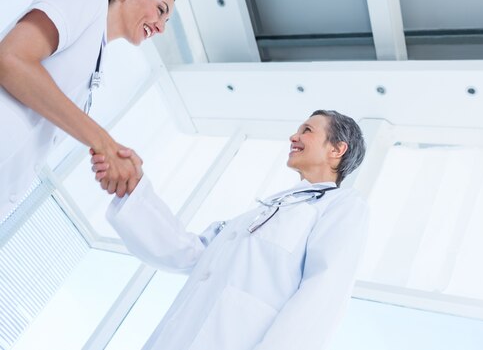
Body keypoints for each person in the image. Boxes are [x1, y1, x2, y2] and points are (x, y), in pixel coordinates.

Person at [91, 110, 369, 350]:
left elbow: (322, 296)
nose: (293, 137)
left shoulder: (342, 205)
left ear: (337, 149)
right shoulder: (254, 215)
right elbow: (188, 253)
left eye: (306, 130)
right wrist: (134, 188)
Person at [0, 0, 176, 221]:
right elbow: (10, 58)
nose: (161, 27)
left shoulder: (96, 59)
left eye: (166, 21)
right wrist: (104, 142)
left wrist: (109, 157)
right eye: (161, 10)